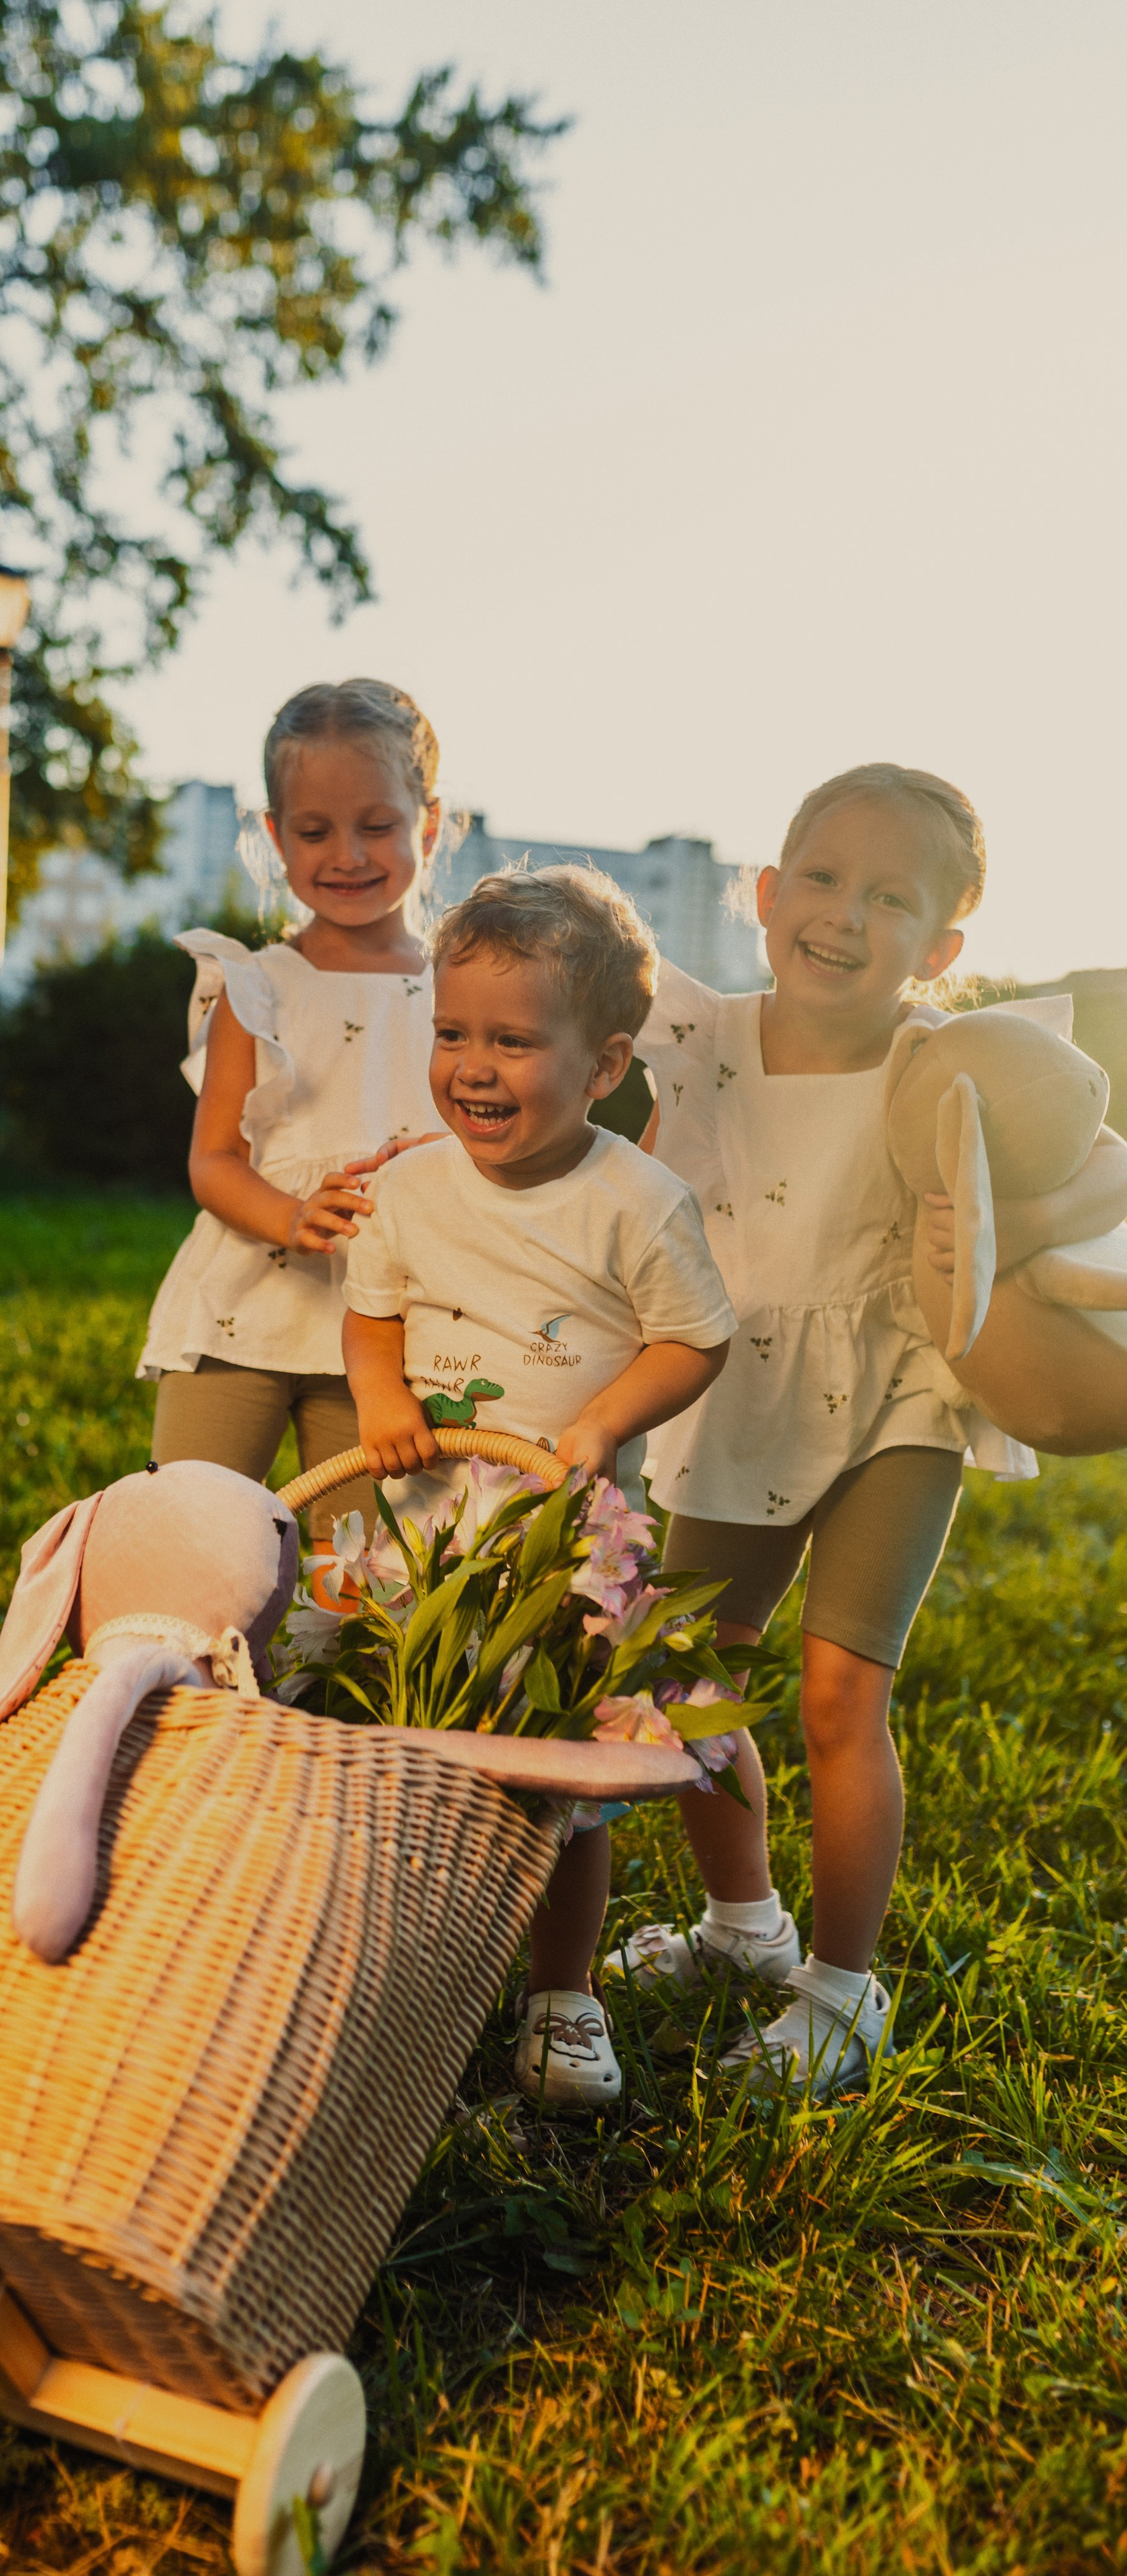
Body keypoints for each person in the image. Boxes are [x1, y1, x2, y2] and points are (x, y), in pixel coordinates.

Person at [607, 762, 1127, 2095]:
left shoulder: (944, 1063)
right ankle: (741, 1929)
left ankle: (839, 1991)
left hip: (896, 1388)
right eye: (822, 881)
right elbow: (647, 1209)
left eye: (888, 899)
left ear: (940, 945)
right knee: (679, 1672)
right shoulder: (706, 1039)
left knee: (842, 1692)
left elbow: (1089, 1164)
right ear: (765, 891)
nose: (843, 916)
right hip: (736, 1386)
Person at [341, 866, 739, 2110]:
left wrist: (606, 1423)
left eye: (514, 1041)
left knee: (566, 1765)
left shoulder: (634, 1198)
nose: (473, 1066)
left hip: (576, 1524)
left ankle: (562, 1998)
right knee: (382, 1731)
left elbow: (696, 1338)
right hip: (420, 1518)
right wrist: (383, 1405)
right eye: (454, 1034)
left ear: (605, 1064)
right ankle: (389, 1961)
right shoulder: (411, 1185)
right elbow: (371, 1312)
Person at [139, 679, 447, 1541]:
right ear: (275, 837)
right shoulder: (258, 986)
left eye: (376, 825)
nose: (346, 853)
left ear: (429, 821)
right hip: (249, 1302)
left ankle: (308, 1681)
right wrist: (291, 1214)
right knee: (188, 1531)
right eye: (314, 831)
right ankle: (185, 1673)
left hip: (387, 1332)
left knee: (360, 1570)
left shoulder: (460, 988)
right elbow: (213, 1161)